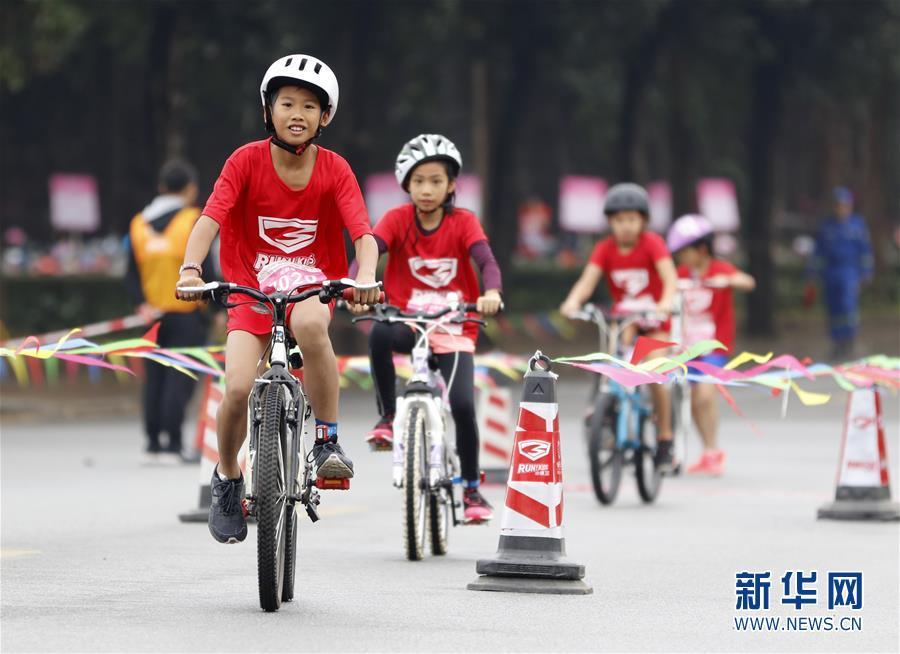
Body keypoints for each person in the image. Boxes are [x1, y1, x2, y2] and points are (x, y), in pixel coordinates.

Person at [175, 54, 380, 544]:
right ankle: (227, 477)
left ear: (324, 117)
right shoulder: (244, 161)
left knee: (312, 326)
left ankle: (326, 441)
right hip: (251, 293)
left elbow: (363, 234)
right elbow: (210, 218)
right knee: (239, 389)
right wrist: (189, 267)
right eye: (286, 102)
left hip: (312, 285)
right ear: (268, 110)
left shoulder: (335, 169)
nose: (297, 113)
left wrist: (366, 276)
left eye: (310, 106)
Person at [358, 134, 502, 522]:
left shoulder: (464, 222)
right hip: (407, 321)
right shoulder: (396, 220)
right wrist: (359, 282)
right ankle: (388, 417)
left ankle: (471, 491)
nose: (426, 189)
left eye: (436, 181)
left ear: (451, 185)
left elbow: (486, 260)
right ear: (406, 184)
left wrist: (491, 292)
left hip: (454, 325)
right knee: (379, 331)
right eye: (418, 181)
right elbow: (372, 248)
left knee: (464, 405)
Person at [560, 183, 679, 471]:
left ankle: (664, 439)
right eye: (619, 220)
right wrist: (572, 302)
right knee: (610, 364)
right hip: (624, 322)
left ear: (643, 221)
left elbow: (670, 278)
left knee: (655, 373)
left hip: (654, 323)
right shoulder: (605, 249)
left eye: (631, 219)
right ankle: (607, 414)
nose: (625, 226)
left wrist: (664, 302)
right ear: (610, 222)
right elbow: (587, 282)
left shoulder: (652, 244)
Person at [125, 159, 209, 463]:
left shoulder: (138, 224)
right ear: (190, 189)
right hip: (186, 313)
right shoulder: (193, 220)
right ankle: (174, 443)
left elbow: (130, 273)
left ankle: (152, 443)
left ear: (161, 188)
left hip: (150, 315)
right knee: (181, 376)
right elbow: (206, 266)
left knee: (155, 376)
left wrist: (141, 304)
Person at [666, 214, 755, 476]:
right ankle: (708, 451)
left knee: (705, 393)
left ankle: (714, 448)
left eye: (685, 251)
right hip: (685, 348)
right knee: (691, 400)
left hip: (713, 348)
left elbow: (748, 281)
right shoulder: (681, 274)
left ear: (701, 249)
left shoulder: (719, 269)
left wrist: (727, 281)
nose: (680, 257)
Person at [806, 186, 874, 360]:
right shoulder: (827, 226)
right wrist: (812, 273)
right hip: (831, 272)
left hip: (849, 271)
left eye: (844, 204)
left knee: (848, 307)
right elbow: (818, 252)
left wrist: (866, 272)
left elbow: (865, 250)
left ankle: (849, 341)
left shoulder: (857, 225)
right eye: (838, 205)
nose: (841, 208)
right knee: (833, 308)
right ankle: (836, 343)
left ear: (850, 206)